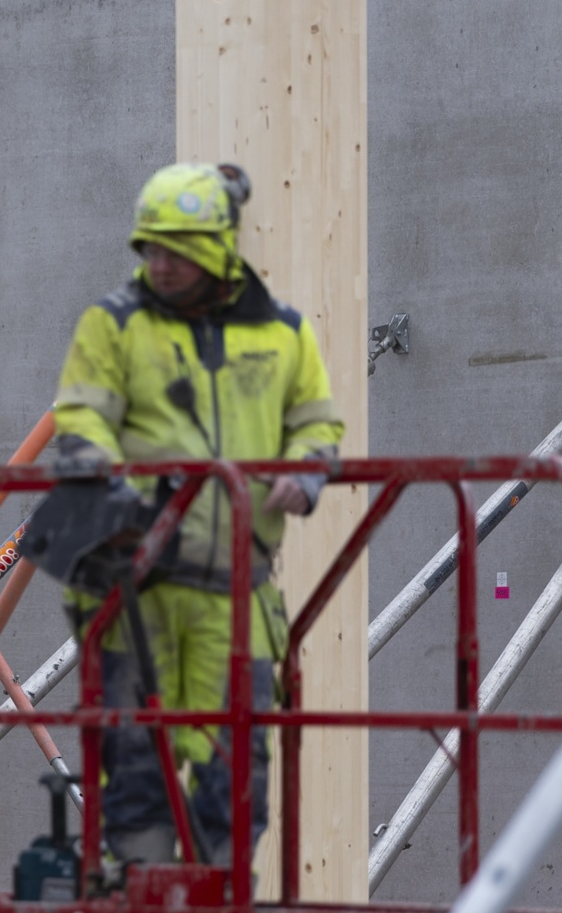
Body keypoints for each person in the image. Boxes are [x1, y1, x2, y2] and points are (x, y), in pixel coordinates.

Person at [49, 162, 343, 866]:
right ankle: (150, 912)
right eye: (149, 247)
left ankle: (215, 911)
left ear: (217, 247)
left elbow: (317, 426)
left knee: (234, 786)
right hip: (133, 590)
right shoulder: (114, 325)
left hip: (232, 598)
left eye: (174, 248)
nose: (158, 261)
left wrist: (307, 471)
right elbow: (81, 419)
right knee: (135, 777)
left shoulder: (284, 335)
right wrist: (102, 478)